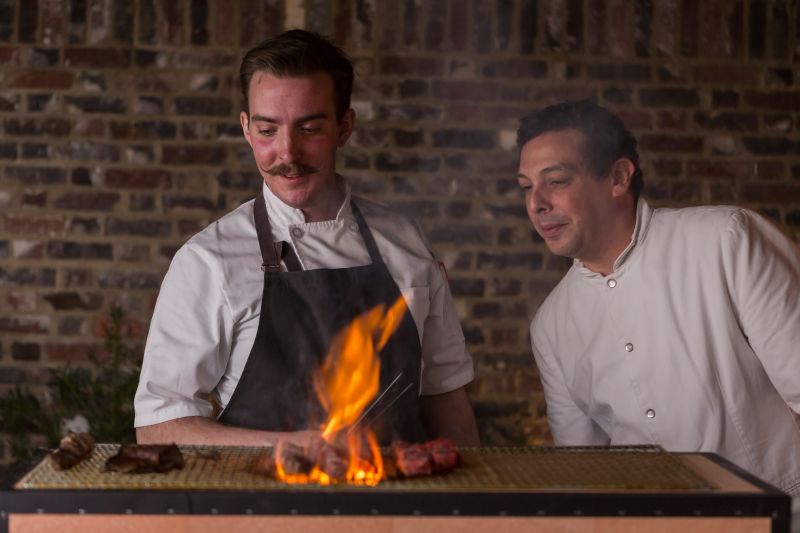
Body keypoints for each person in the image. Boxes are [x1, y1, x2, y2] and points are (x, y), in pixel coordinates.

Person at [134, 29, 480, 448]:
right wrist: (297, 446)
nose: (287, 154)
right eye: (267, 131)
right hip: (263, 508)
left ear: (344, 126)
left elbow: (444, 398)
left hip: (398, 506)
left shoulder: (405, 243)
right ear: (246, 128)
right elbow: (159, 427)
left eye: (310, 129)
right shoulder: (209, 261)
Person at [517, 100, 800, 514]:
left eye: (556, 181)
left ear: (617, 177)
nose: (536, 203)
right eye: (526, 186)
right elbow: (583, 474)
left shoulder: (725, 242)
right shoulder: (551, 325)